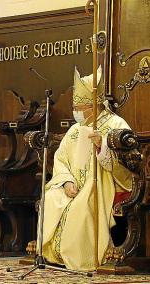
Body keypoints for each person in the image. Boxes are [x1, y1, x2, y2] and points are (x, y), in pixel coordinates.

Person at [40, 67, 133, 271]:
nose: (76, 111)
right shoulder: (74, 130)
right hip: (73, 185)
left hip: (101, 184)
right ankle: (52, 254)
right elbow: (61, 158)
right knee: (52, 198)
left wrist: (103, 146)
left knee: (80, 208)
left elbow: (127, 165)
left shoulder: (116, 124)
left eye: (80, 107)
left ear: (94, 105)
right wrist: (66, 181)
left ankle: (82, 258)